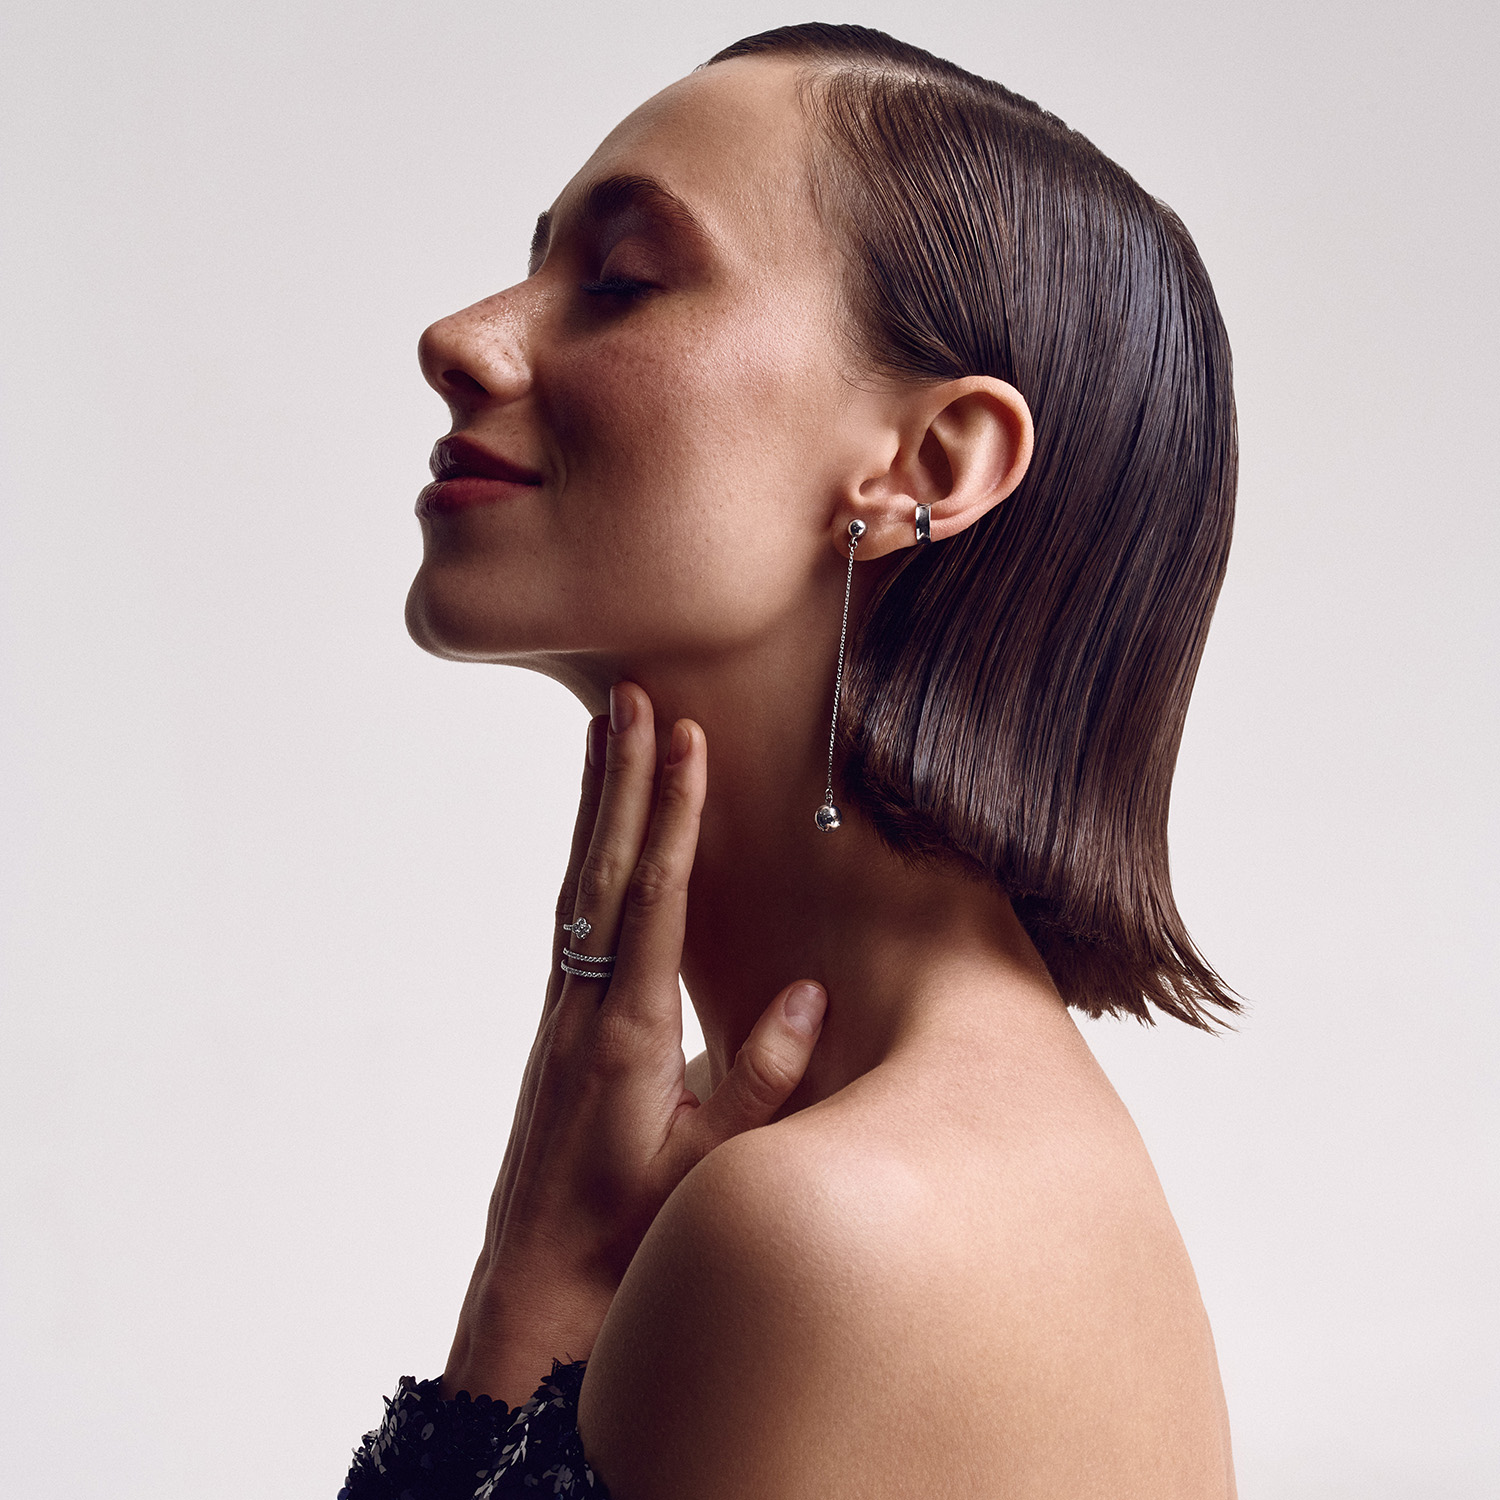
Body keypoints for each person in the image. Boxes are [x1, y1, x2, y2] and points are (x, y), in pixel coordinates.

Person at [343, 22, 1239, 1499]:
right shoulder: (875, 1141)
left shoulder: (828, 1225)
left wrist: (525, 1296)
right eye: (533, 263)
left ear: (925, 467)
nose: (462, 338)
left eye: (621, 279)